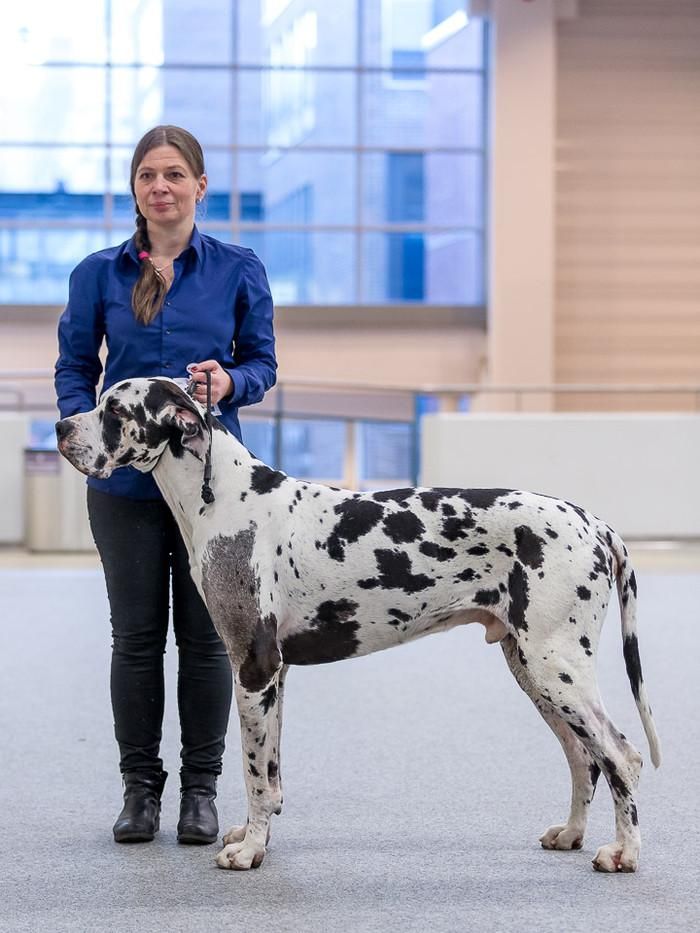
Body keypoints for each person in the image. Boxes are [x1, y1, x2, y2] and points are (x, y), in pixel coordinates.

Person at [54, 125, 277, 845]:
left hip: (218, 492)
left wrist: (229, 382)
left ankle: (201, 792)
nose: (161, 186)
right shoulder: (97, 274)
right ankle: (140, 791)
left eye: (175, 174)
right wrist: (86, 426)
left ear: (199, 187)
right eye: (148, 175)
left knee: (210, 642)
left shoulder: (238, 268)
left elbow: (262, 364)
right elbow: (74, 367)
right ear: (135, 188)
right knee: (136, 639)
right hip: (125, 492)